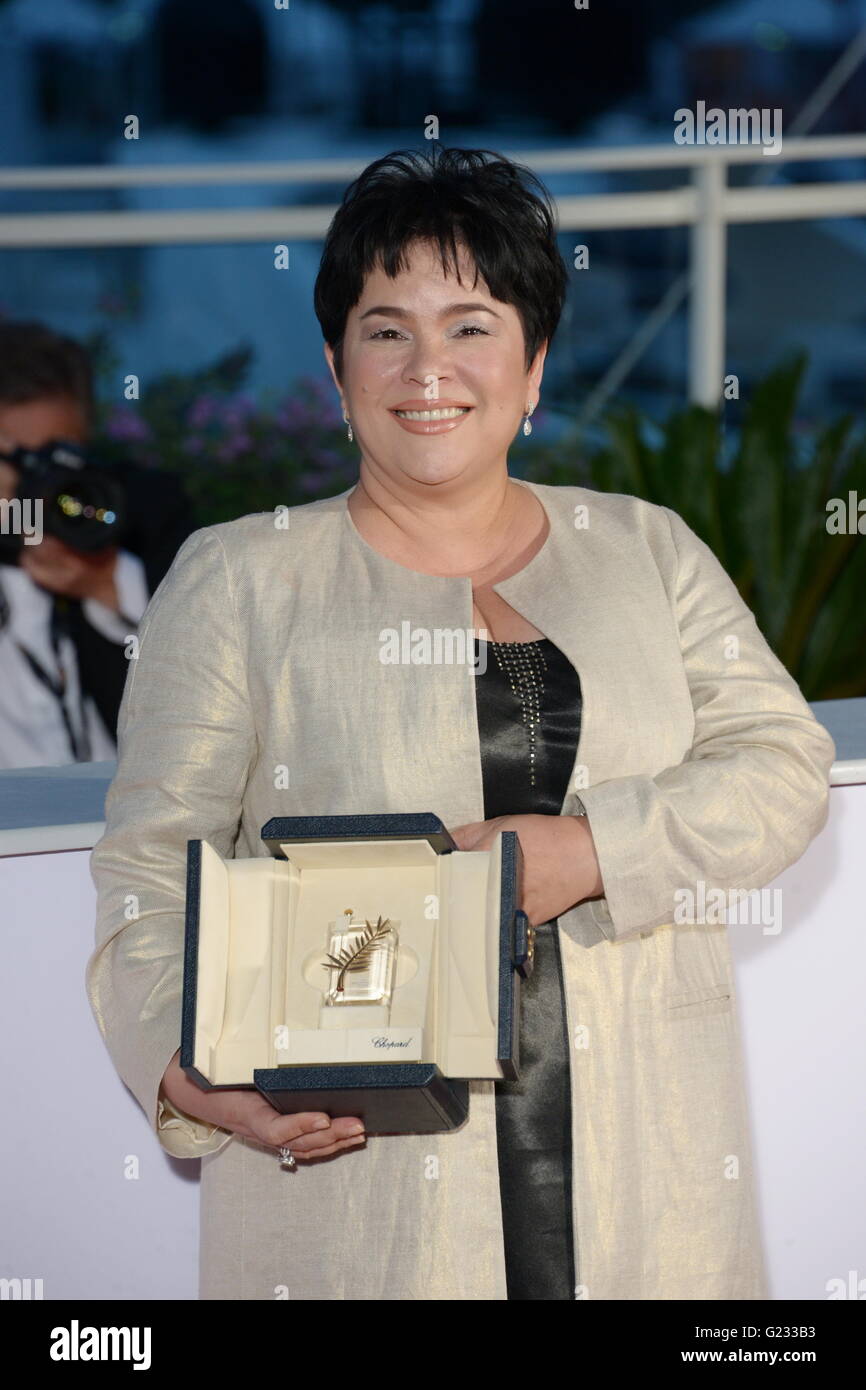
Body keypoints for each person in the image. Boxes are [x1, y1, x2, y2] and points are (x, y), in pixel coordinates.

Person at [87, 146, 836, 1301]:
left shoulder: (644, 549)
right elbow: (148, 867)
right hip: (361, 1190)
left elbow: (783, 764)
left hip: (645, 1167)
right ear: (337, 370)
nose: (426, 366)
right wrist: (191, 1074)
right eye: (385, 329)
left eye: (471, 325)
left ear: (533, 369)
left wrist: (589, 849)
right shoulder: (240, 579)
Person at [0, 321, 193, 767]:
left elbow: (220, 654)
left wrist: (107, 581)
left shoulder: (140, 515)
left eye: (56, 459)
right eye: (17, 462)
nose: (39, 486)